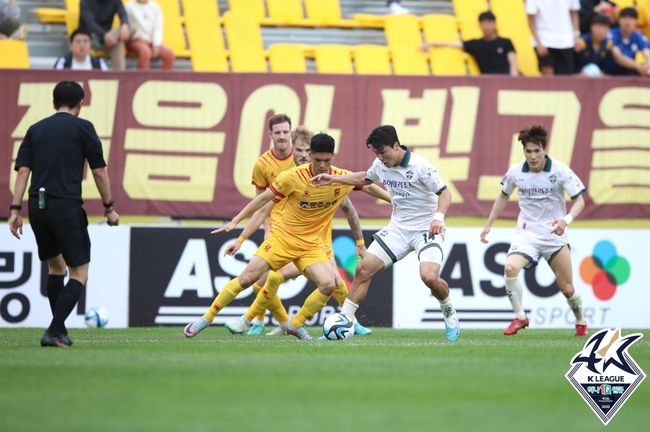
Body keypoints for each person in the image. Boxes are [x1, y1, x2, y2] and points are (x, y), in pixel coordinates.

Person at [183, 133, 390, 340]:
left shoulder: (340, 178)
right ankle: (206, 318)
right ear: (310, 155)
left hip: (311, 246)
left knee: (329, 284)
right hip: (282, 239)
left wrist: (394, 201)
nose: (322, 165)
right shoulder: (292, 177)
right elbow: (263, 199)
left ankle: (295, 324)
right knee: (247, 279)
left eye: (327, 160)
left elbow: (369, 186)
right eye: (317, 160)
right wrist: (236, 221)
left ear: (332, 157)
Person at [311, 125, 461, 342]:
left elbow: (445, 195)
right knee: (363, 270)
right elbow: (364, 179)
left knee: (429, 277)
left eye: (383, 152)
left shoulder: (421, 167)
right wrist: (333, 179)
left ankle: (450, 314)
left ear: (396, 146)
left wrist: (439, 217)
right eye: (376, 154)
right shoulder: (380, 165)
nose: (380, 158)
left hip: (426, 228)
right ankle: (345, 320)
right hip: (398, 229)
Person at [8, 80, 119, 348]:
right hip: (65, 206)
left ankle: (60, 331)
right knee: (79, 273)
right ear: (81, 102)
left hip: (38, 206)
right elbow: (99, 171)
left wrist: (15, 210)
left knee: (55, 268)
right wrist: (109, 208)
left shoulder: (36, 130)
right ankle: (55, 330)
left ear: (53, 102)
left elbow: (23, 171)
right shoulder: (84, 128)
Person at [479, 124, 587, 337]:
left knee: (567, 288)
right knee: (510, 268)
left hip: (554, 235)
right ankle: (520, 317)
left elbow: (580, 201)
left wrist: (566, 220)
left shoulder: (560, 170)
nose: (533, 156)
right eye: (528, 151)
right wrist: (489, 223)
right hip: (527, 234)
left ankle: (581, 321)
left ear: (544, 150)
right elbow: (503, 196)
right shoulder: (516, 172)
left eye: (537, 150)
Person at [420, 11, 519, 76]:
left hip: (506, 79)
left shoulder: (506, 42)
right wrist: (431, 43)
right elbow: (454, 44)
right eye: (483, 23)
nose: (486, 27)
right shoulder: (476, 44)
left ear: (494, 24)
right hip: (488, 81)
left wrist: (512, 82)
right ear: (479, 25)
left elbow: (513, 64)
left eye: (489, 23)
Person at [526, 0, 581, 75]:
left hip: (566, 41)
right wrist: (538, 42)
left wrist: (576, 35)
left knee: (565, 78)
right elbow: (530, 19)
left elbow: (574, 13)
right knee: (548, 76)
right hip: (544, 40)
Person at [79, 0, 130, 70]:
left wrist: (124, 24)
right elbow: (91, 24)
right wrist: (104, 35)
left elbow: (122, 13)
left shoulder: (115, 1)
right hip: (90, 38)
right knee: (118, 42)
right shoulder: (85, 2)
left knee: (128, 29)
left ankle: (120, 76)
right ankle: (120, 76)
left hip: (109, 39)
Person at [125, 0, 175, 70]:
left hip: (151, 41)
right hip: (135, 40)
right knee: (145, 52)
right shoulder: (129, 6)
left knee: (169, 54)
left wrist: (156, 45)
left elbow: (157, 28)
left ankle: (165, 79)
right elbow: (129, 27)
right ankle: (141, 78)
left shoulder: (156, 7)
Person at [609, 7, 650, 76]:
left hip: (630, 72)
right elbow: (619, 57)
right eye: (624, 17)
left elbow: (648, 54)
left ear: (636, 21)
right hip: (610, 72)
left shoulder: (638, 36)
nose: (627, 22)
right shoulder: (612, 34)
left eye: (631, 18)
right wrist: (639, 66)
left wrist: (647, 65)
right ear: (619, 20)